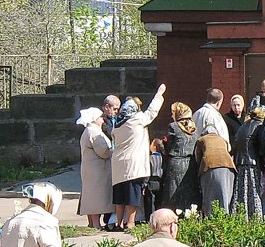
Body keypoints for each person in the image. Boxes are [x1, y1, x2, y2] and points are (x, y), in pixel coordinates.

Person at [111, 86, 167, 231]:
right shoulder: (136, 119)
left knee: (119, 196)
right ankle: (130, 223)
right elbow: (152, 112)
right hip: (133, 165)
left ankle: (118, 223)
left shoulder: (117, 125)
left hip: (118, 165)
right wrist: (159, 94)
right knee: (132, 196)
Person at [192, 113, 236, 217]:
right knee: (225, 195)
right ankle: (226, 219)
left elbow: (197, 157)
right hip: (229, 167)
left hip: (210, 166)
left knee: (209, 196)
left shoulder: (201, 140)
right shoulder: (222, 140)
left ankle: (211, 218)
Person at [76, 107, 112, 230]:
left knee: (90, 194)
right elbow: (103, 151)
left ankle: (92, 223)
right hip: (97, 170)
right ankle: (96, 224)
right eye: (101, 118)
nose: (103, 120)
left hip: (90, 168)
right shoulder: (94, 132)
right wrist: (112, 151)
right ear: (94, 119)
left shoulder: (88, 131)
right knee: (96, 196)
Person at [160, 103, 199, 212]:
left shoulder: (173, 126)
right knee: (189, 190)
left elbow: (168, 146)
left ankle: (173, 213)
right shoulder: (194, 128)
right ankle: (188, 213)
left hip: (176, 162)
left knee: (173, 191)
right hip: (191, 163)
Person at [231, 107, 265, 219]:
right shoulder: (259, 126)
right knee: (254, 191)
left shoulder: (243, 125)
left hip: (240, 162)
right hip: (253, 162)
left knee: (241, 192)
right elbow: (261, 146)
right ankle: (256, 217)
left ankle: (241, 216)